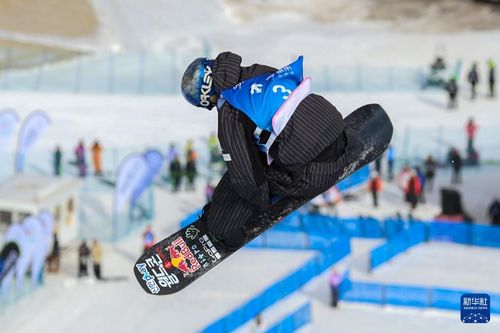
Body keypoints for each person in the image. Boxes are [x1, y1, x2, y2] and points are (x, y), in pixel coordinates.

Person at [180, 51, 386, 249]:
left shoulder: (230, 113)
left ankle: (223, 228)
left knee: (236, 178)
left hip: (314, 174)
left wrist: (255, 204)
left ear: (205, 95)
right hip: (338, 134)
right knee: (260, 144)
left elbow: (246, 178)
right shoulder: (258, 71)